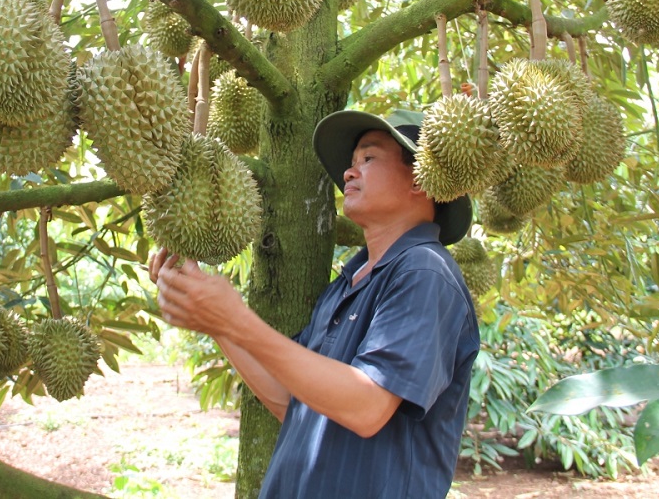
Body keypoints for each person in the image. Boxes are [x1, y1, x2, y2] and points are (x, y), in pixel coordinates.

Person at [148, 109, 480, 498]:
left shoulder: (425, 272)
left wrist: (237, 319)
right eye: (351, 163)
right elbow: (293, 402)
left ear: (421, 181)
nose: (349, 173)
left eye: (368, 159)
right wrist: (216, 321)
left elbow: (368, 406)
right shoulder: (347, 284)